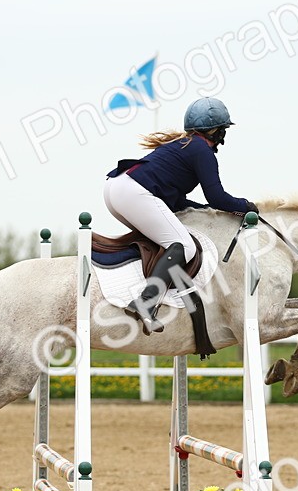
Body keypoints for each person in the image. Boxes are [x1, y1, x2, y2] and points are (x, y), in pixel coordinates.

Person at [103, 97, 258, 334]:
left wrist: (205, 210)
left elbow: (177, 201)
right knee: (184, 246)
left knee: (166, 240)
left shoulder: (183, 144)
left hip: (117, 189)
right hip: (133, 192)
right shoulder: (201, 150)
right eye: (223, 131)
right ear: (215, 131)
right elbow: (217, 196)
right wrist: (245, 206)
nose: (223, 139)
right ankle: (145, 302)